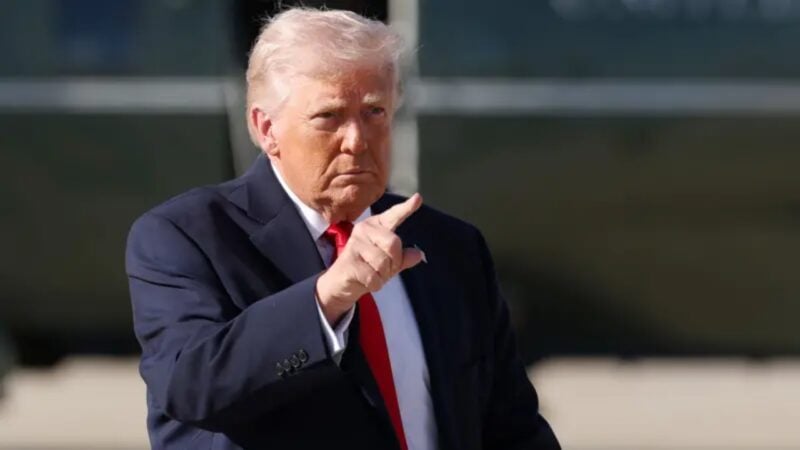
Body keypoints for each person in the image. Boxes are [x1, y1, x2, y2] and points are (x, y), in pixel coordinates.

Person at [126, 7, 559, 450]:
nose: (356, 139)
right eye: (329, 116)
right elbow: (191, 388)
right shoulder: (187, 237)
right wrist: (326, 299)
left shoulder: (449, 246)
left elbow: (513, 429)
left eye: (374, 111)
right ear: (266, 128)